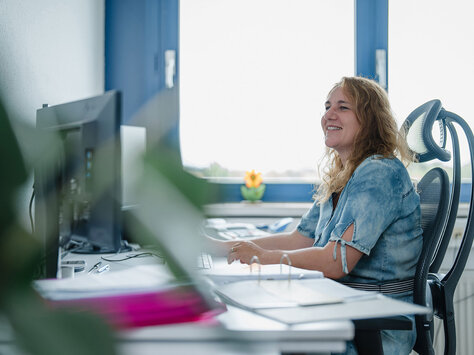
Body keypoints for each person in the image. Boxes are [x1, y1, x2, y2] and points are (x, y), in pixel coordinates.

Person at [207, 76, 423, 355]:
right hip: (344, 310)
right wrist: (221, 247)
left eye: (343, 107)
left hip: (375, 329)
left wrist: (262, 255)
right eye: (327, 106)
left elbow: (336, 262)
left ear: (369, 119)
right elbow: (300, 239)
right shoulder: (344, 176)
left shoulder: (379, 172)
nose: (328, 115)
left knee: (249, 339)